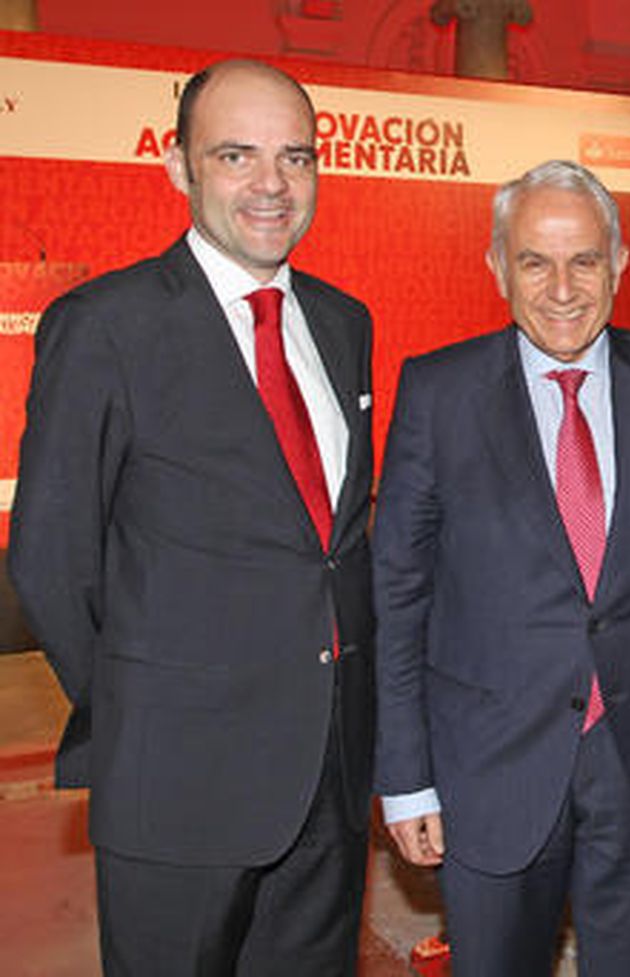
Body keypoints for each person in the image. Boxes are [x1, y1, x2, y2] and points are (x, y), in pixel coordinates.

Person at [8, 59, 376, 974]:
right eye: (237, 156)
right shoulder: (105, 325)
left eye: (296, 157)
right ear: (179, 167)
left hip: (326, 779)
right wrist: (146, 712)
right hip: (175, 783)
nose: (272, 185)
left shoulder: (341, 321)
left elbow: (334, 550)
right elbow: (52, 557)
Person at [373, 160, 630, 977]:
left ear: (620, 261)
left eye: (584, 259)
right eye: (534, 261)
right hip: (489, 767)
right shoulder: (438, 394)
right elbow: (399, 600)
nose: (562, 288)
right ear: (496, 266)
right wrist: (405, 779)